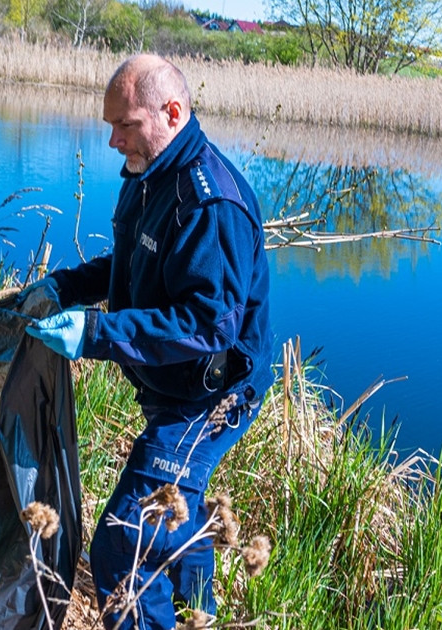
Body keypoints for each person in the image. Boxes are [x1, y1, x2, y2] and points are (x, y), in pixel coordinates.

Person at [23, 54, 273, 629]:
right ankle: (199, 614)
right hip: (171, 383)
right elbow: (133, 262)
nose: (113, 140)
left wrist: (95, 333)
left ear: (172, 113)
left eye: (125, 125)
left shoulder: (211, 205)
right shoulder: (150, 173)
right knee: (175, 515)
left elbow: (208, 324)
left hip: (209, 400)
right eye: (110, 125)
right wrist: (66, 287)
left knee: (124, 545)